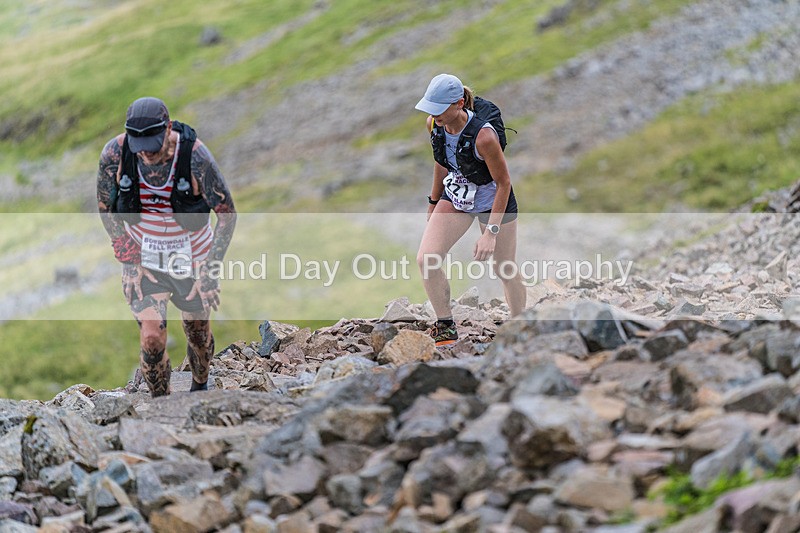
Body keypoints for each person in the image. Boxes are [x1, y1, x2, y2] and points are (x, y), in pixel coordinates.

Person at [96, 97, 237, 396]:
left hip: (193, 259)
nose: (146, 152)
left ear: (169, 128)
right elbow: (106, 208)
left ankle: (200, 389)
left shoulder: (195, 157)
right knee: (151, 339)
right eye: (139, 145)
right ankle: (161, 405)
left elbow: (227, 215)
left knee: (197, 335)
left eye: (153, 143)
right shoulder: (115, 154)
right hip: (144, 261)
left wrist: (209, 273)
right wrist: (129, 262)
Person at [415, 74, 526, 346]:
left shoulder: (485, 137)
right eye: (431, 107)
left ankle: (521, 326)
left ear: (459, 103)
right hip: (457, 197)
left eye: (440, 108)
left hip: (492, 201)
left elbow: (504, 183)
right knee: (426, 258)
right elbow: (441, 161)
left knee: (505, 267)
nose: (434, 113)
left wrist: (491, 232)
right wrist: (433, 201)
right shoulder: (434, 124)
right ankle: (445, 326)